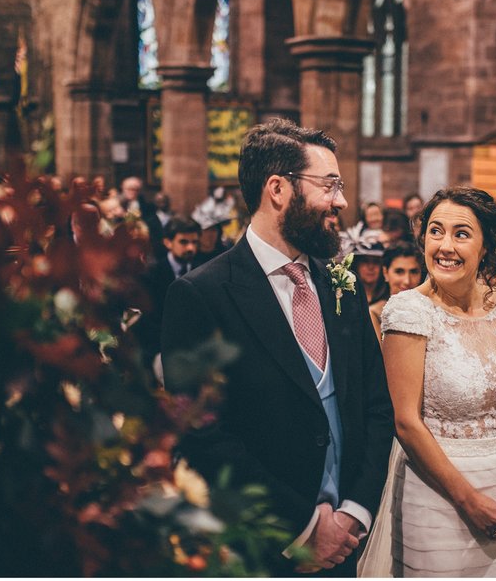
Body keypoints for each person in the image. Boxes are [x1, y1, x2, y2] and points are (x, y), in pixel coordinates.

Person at [161, 118, 394, 575]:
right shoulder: (201, 295)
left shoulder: (340, 285)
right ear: (278, 189)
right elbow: (204, 436)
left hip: (349, 541)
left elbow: (376, 405)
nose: (341, 201)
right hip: (262, 548)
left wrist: (356, 511)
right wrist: (304, 529)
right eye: (329, 185)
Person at [359, 186, 496, 577]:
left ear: (486, 245)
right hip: (439, 496)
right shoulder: (409, 312)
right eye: (435, 231)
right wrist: (468, 500)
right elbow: (406, 421)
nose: (445, 245)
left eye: (461, 233)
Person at [134, 216, 201, 364]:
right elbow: (150, 320)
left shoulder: (204, 271)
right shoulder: (151, 274)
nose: (191, 248)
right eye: (183, 242)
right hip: (159, 348)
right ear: (168, 242)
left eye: (194, 242)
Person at [368, 242, 423, 342]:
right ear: (385, 272)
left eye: (414, 272)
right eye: (399, 271)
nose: (407, 281)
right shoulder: (374, 314)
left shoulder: (430, 310)